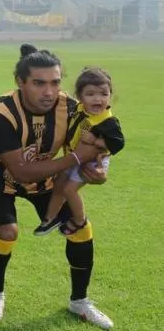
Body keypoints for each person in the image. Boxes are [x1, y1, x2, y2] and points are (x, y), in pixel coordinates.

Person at [0, 44, 111, 329]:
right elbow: (21, 171)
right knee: (7, 231)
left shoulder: (72, 108)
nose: (49, 92)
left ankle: (80, 301)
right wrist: (75, 159)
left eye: (55, 82)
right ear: (20, 82)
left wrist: (96, 170)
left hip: (48, 178)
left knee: (80, 228)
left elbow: (94, 146)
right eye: (39, 83)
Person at [35, 67, 124, 236]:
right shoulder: (79, 109)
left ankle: (79, 220)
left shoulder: (108, 121)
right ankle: (50, 218)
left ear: (110, 95)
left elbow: (118, 143)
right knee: (59, 182)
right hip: (74, 156)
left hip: (92, 161)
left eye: (103, 94)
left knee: (69, 190)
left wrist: (96, 141)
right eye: (90, 94)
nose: (98, 99)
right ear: (80, 96)